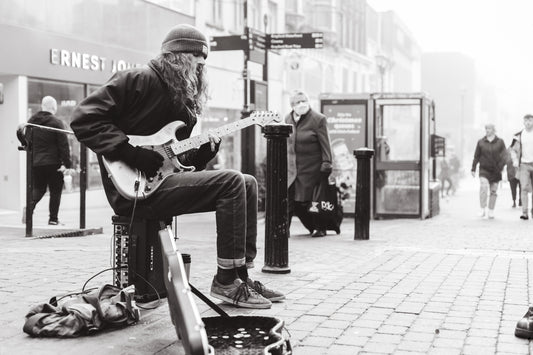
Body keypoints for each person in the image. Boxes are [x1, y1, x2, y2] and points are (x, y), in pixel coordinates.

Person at [70, 24, 283, 309]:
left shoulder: (184, 103)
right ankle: (225, 282)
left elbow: (179, 164)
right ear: (178, 55)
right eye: (197, 59)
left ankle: (239, 277)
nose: (201, 67)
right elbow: (84, 118)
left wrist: (205, 151)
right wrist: (129, 152)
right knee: (232, 181)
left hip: (161, 184)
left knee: (246, 182)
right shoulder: (136, 79)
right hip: (132, 189)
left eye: (204, 62)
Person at [286, 90, 333, 238]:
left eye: (304, 100)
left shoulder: (318, 119)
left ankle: (320, 227)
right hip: (293, 170)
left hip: (313, 169)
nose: (301, 104)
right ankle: (285, 230)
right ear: (292, 105)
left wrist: (327, 162)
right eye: (297, 102)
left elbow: (325, 143)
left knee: (313, 202)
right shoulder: (288, 119)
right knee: (292, 202)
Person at [27, 96, 72, 225]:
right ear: (53, 107)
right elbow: (63, 145)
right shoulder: (57, 123)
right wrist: (67, 164)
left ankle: (29, 206)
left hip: (36, 162)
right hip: (53, 163)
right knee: (55, 191)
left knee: (38, 189)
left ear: (42, 106)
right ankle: (53, 219)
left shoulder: (31, 122)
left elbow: (27, 141)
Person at [471, 123, 507, 219]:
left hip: (496, 170)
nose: (487, 130)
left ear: (494, 130)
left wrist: (501, 167)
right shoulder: (481, 142)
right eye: (486, 128)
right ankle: (482, 209)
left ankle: (491, 210)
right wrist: (473, 168)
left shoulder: (500, 142)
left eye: (489, 128)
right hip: (484, 169)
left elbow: (505, 156)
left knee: (493, 191)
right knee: (483, 186)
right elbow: (476, 156)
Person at [510, 114, 533, 220]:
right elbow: (513, 150)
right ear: (523, 122)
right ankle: (525, 212)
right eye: (526, 121)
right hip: (523, 165)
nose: (528, 122)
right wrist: (515, 160)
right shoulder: (518, 135)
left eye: (530, 120)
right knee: (523, 188)